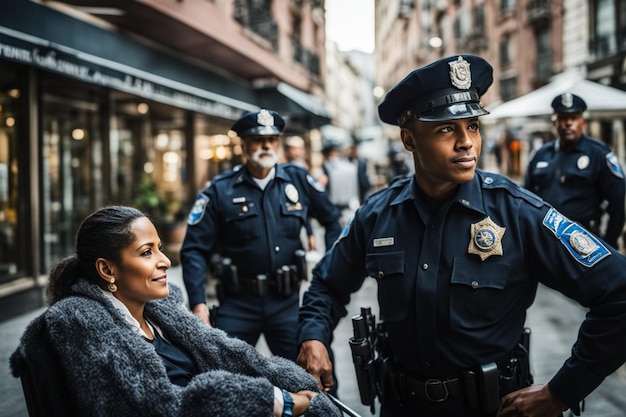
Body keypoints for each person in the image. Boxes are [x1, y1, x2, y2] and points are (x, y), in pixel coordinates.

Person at [296, 54, 626, 417]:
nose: (466, 142)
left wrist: (561, 392)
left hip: (491, 408)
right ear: (409, 140)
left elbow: (619, 292)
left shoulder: (518, 212)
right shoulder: (377, 215)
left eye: (472, 126)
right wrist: (313, 336)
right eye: (446, 129)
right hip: (401, 406)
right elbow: (326, 286)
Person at [10, 206, 341, 417]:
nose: (165, 261)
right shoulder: (79, 320)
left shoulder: (160, 311)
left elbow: (232, 356)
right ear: (108, 270)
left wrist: (291, 383)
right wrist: (275, 403)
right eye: (146, 252)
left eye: (160, 248)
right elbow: (152, 407)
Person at [181, 109, 342, 362]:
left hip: (288, 303)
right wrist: (198, 305)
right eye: (258, 139)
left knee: (313, 375)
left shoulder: (298, 180)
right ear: (243, 144)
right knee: (222, 375)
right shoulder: (219, 190)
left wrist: (328, 270)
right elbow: (194, 249)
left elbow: (333, 220)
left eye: (272, 139)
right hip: (237, 304)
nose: (266, 145)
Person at [524, 93, 625, 249]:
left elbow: (617, 205)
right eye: (563, 118)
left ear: (582, 122)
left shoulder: (599, 155)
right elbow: (526, 199)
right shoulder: (540, 155)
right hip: (544, 243)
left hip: (585, 243)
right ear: (554, 121)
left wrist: (608, 247)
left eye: (574, 117)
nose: (568, 123)